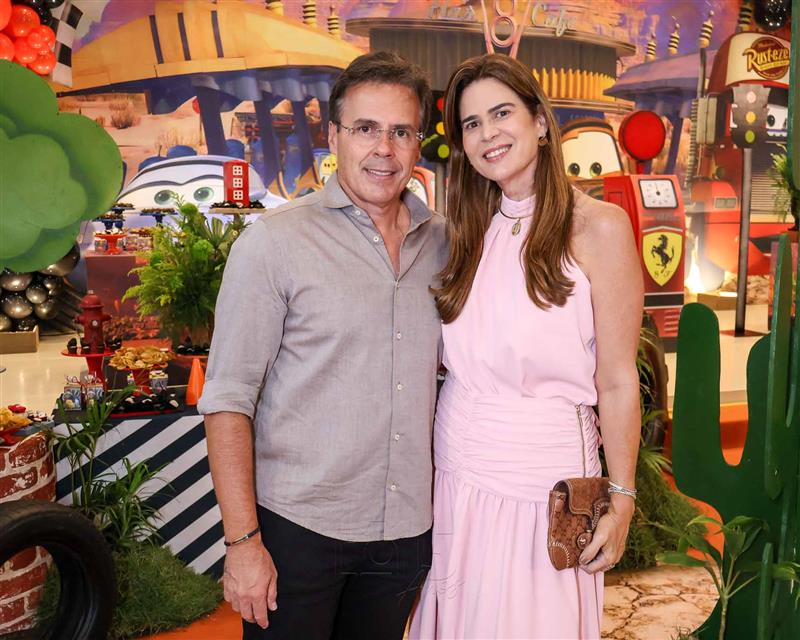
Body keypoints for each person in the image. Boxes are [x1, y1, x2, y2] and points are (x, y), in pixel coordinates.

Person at [198, 51, 447, 640]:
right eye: (366, 129)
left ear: (418, 143)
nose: (384, 149)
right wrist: (242, 543)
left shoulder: (445, 245)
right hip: (298, 532)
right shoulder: (274, 243)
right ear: (334, 136)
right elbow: (227, 399)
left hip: (404, 533)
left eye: (401, 131)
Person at [408, 53, 643, 639]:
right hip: (454, 477)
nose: (488, 134)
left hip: (543, 485)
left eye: (501, 113)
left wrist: (622, 499)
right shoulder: (464, 231)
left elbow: (618, 380)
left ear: (539, 121)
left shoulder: (600, 227)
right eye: (471, 123)